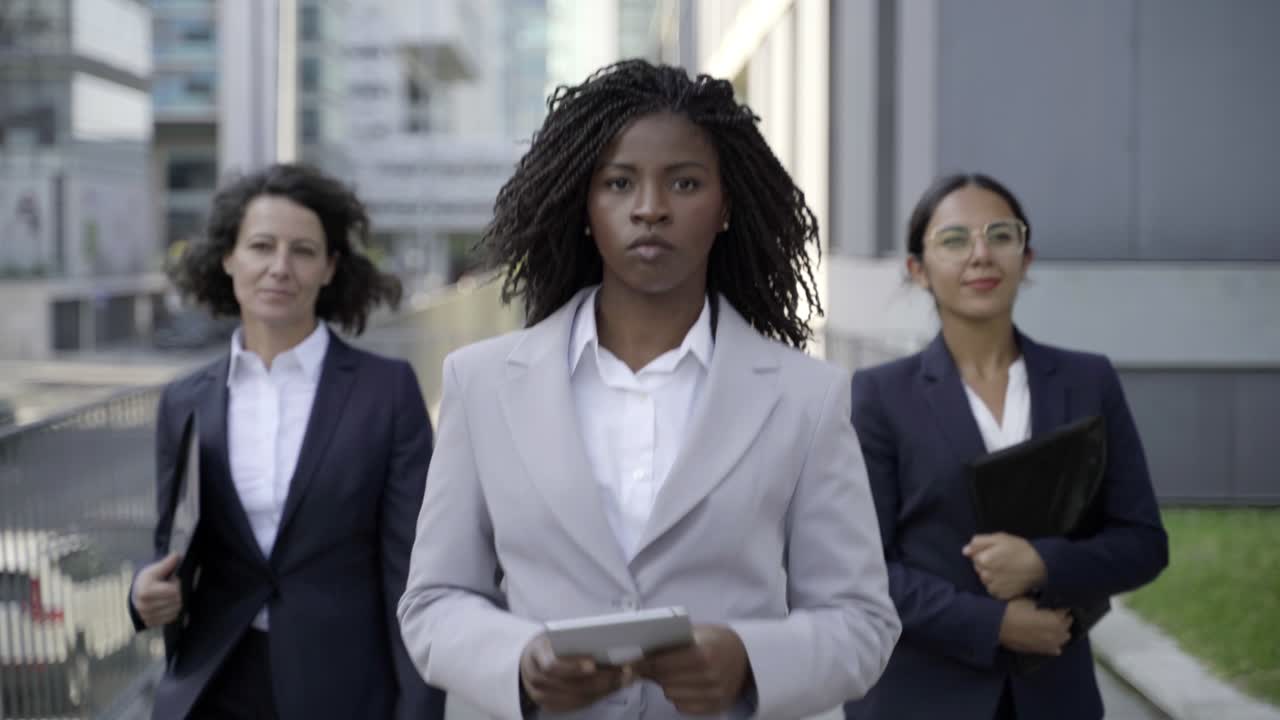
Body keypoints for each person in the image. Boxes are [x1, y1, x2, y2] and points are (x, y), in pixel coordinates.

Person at [397, 60, 901, 720]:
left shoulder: (808, 396)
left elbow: (860, 621)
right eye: (619, 183)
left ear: (725, 208)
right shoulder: (482, 382)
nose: (651, 209)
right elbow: (434, 602)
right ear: (585, 206)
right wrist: (520, 661)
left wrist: (749, 661)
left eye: (685, 183)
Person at [842, 173, 1169, 720]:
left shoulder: (1088, 381)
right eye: (954, 239)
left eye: (1000, 235)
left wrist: (1045, 563)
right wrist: (995, 625)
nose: (980, 254)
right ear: (917, 269)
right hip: (919, 698)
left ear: (1026, 256)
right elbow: (862, 569)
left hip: (1055, 697)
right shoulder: (879, 396)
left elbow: (1143, 543)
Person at [127, 163, 447, 720]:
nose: (280, 267)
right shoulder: (184, 401)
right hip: (217, 683)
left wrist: (418, 711)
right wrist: (143, 595)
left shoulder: (387, 393)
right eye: (261, 246)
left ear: (329, 268)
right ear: (229, 258)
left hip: (345, 688)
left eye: (302, 250)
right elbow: (171, 547)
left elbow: (414, 572)